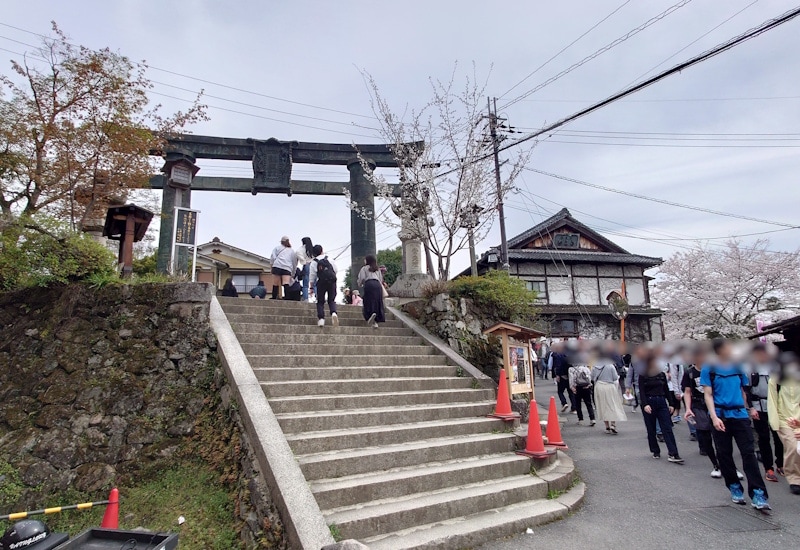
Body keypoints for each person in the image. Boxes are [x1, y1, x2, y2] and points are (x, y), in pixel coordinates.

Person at [702, 339, 770, 510]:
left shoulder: (738, 366)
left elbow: (743, 390)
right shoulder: (709, 368)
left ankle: (758, 493)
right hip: (720, 416)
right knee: (724, 453)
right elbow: (708, 395)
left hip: (739, 414)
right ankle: (734, 486)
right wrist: (714, 417)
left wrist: (748, 409)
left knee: (748, 453)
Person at [683, 356, 725, 478]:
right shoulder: (690, 373)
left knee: (720, 437)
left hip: (714, 405)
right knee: (705, 437)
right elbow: (687, 392)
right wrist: (688, 408)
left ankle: (727, 465)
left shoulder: (713, 370)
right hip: (698, 406)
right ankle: (715, 464)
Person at [749, 344, 784, 483]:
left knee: (778, 435)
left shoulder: (775, 367)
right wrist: (751, 408)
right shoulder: (750, 368)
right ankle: (768, 467)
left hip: (775, 405)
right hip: (758, 406)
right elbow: (746, 390)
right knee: (764, 438)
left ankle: (780, 463)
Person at [639, 354, 683, 463]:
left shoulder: (661, 374)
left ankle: (673, 453)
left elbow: (666, 390)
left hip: (661, 401)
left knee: (667, 428)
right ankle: (655, 450)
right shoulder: (643, 375)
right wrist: (645, 404)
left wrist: (671, 404)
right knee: (651, 429)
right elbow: (641, 391)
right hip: (649, 401)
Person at [768, 353, 800, 495]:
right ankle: (794, 478)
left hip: (798, 419)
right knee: (792, 447)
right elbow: (772, 402)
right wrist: (775, 423)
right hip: (784, 420)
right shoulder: (775, 380)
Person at [592, 358, 627, 434]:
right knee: (612, 405)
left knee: (603, 406)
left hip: (599, 386)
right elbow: (615, 377)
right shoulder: (611, 366)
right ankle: (613, 424)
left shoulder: (595, 366)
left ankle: (607, 427)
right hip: (610, 386)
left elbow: (592, 377)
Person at [308, 244, 338, 327]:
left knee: (320, 301)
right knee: (331, 300)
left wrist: (311, 287)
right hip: (332, 281)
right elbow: (336, 270)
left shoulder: (314, 262)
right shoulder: (329, 258)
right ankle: (334, 313)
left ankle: (321, 319)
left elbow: (312, 276)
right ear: (322, 250)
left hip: (321, 282)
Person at [357, 255, 385, 329]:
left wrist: (359, 284)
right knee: (377, 301)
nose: (364, 261)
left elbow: (362, 278)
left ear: (367, 260)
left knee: (368, 301)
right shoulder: (377, 269)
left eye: (365, 259)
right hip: (377, 285)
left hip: (369, 284)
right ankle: (376, 320)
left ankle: (370, 315)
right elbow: (381, 279)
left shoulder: (364, 268)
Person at [569, 361, 595, 427]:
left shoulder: (573, 369)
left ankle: (581, 419)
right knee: (589, 404)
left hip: (578, 387)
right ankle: (592, 418)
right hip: (586, 387)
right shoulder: (586, 369)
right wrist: (589, 385)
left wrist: (572, 387)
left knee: (578, 404)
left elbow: (572, 379)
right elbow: (590, 378)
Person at [296, 237, 314, 302]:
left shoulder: (301, 249)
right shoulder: (313, 248)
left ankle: (306, 299)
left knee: (305, 284)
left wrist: (304, 261)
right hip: (313, 265)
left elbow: (297, 253)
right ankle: (317, 297)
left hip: (306, 265)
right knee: (315, 283)